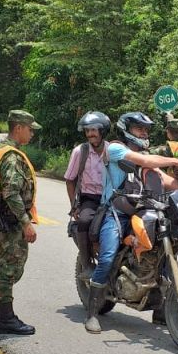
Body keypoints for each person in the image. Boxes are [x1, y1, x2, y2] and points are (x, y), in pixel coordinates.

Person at [85, 112, 178, 334]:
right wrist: (174, 160)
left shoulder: (144, 154)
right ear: (126, 129)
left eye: (146, 129)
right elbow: (146, 162)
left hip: (143, 210)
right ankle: (92, 313)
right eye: (139, 128)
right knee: (108, 256)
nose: (144, 133)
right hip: (116, 211)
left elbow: (163, 178)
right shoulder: (115, 149)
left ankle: (161, 310)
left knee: (162, 252)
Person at [0, 110, 42, 335]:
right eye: (29, 129)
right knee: (8, 270)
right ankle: (6, 319)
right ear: (18, 128)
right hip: (10, 225)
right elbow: (11, 192)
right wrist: (26, 223)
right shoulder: (11, 156)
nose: (32, 134)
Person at [65, 111, 110, 281]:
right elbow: (70, 180)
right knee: (84, 221)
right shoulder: (80, 151)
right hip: (89, 198)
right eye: (87, 130)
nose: (90, 134)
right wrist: (74, 206)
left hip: (111, 198)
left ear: (103, 131)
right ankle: (86, 264)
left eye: (94, 130)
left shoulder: (112, 150)